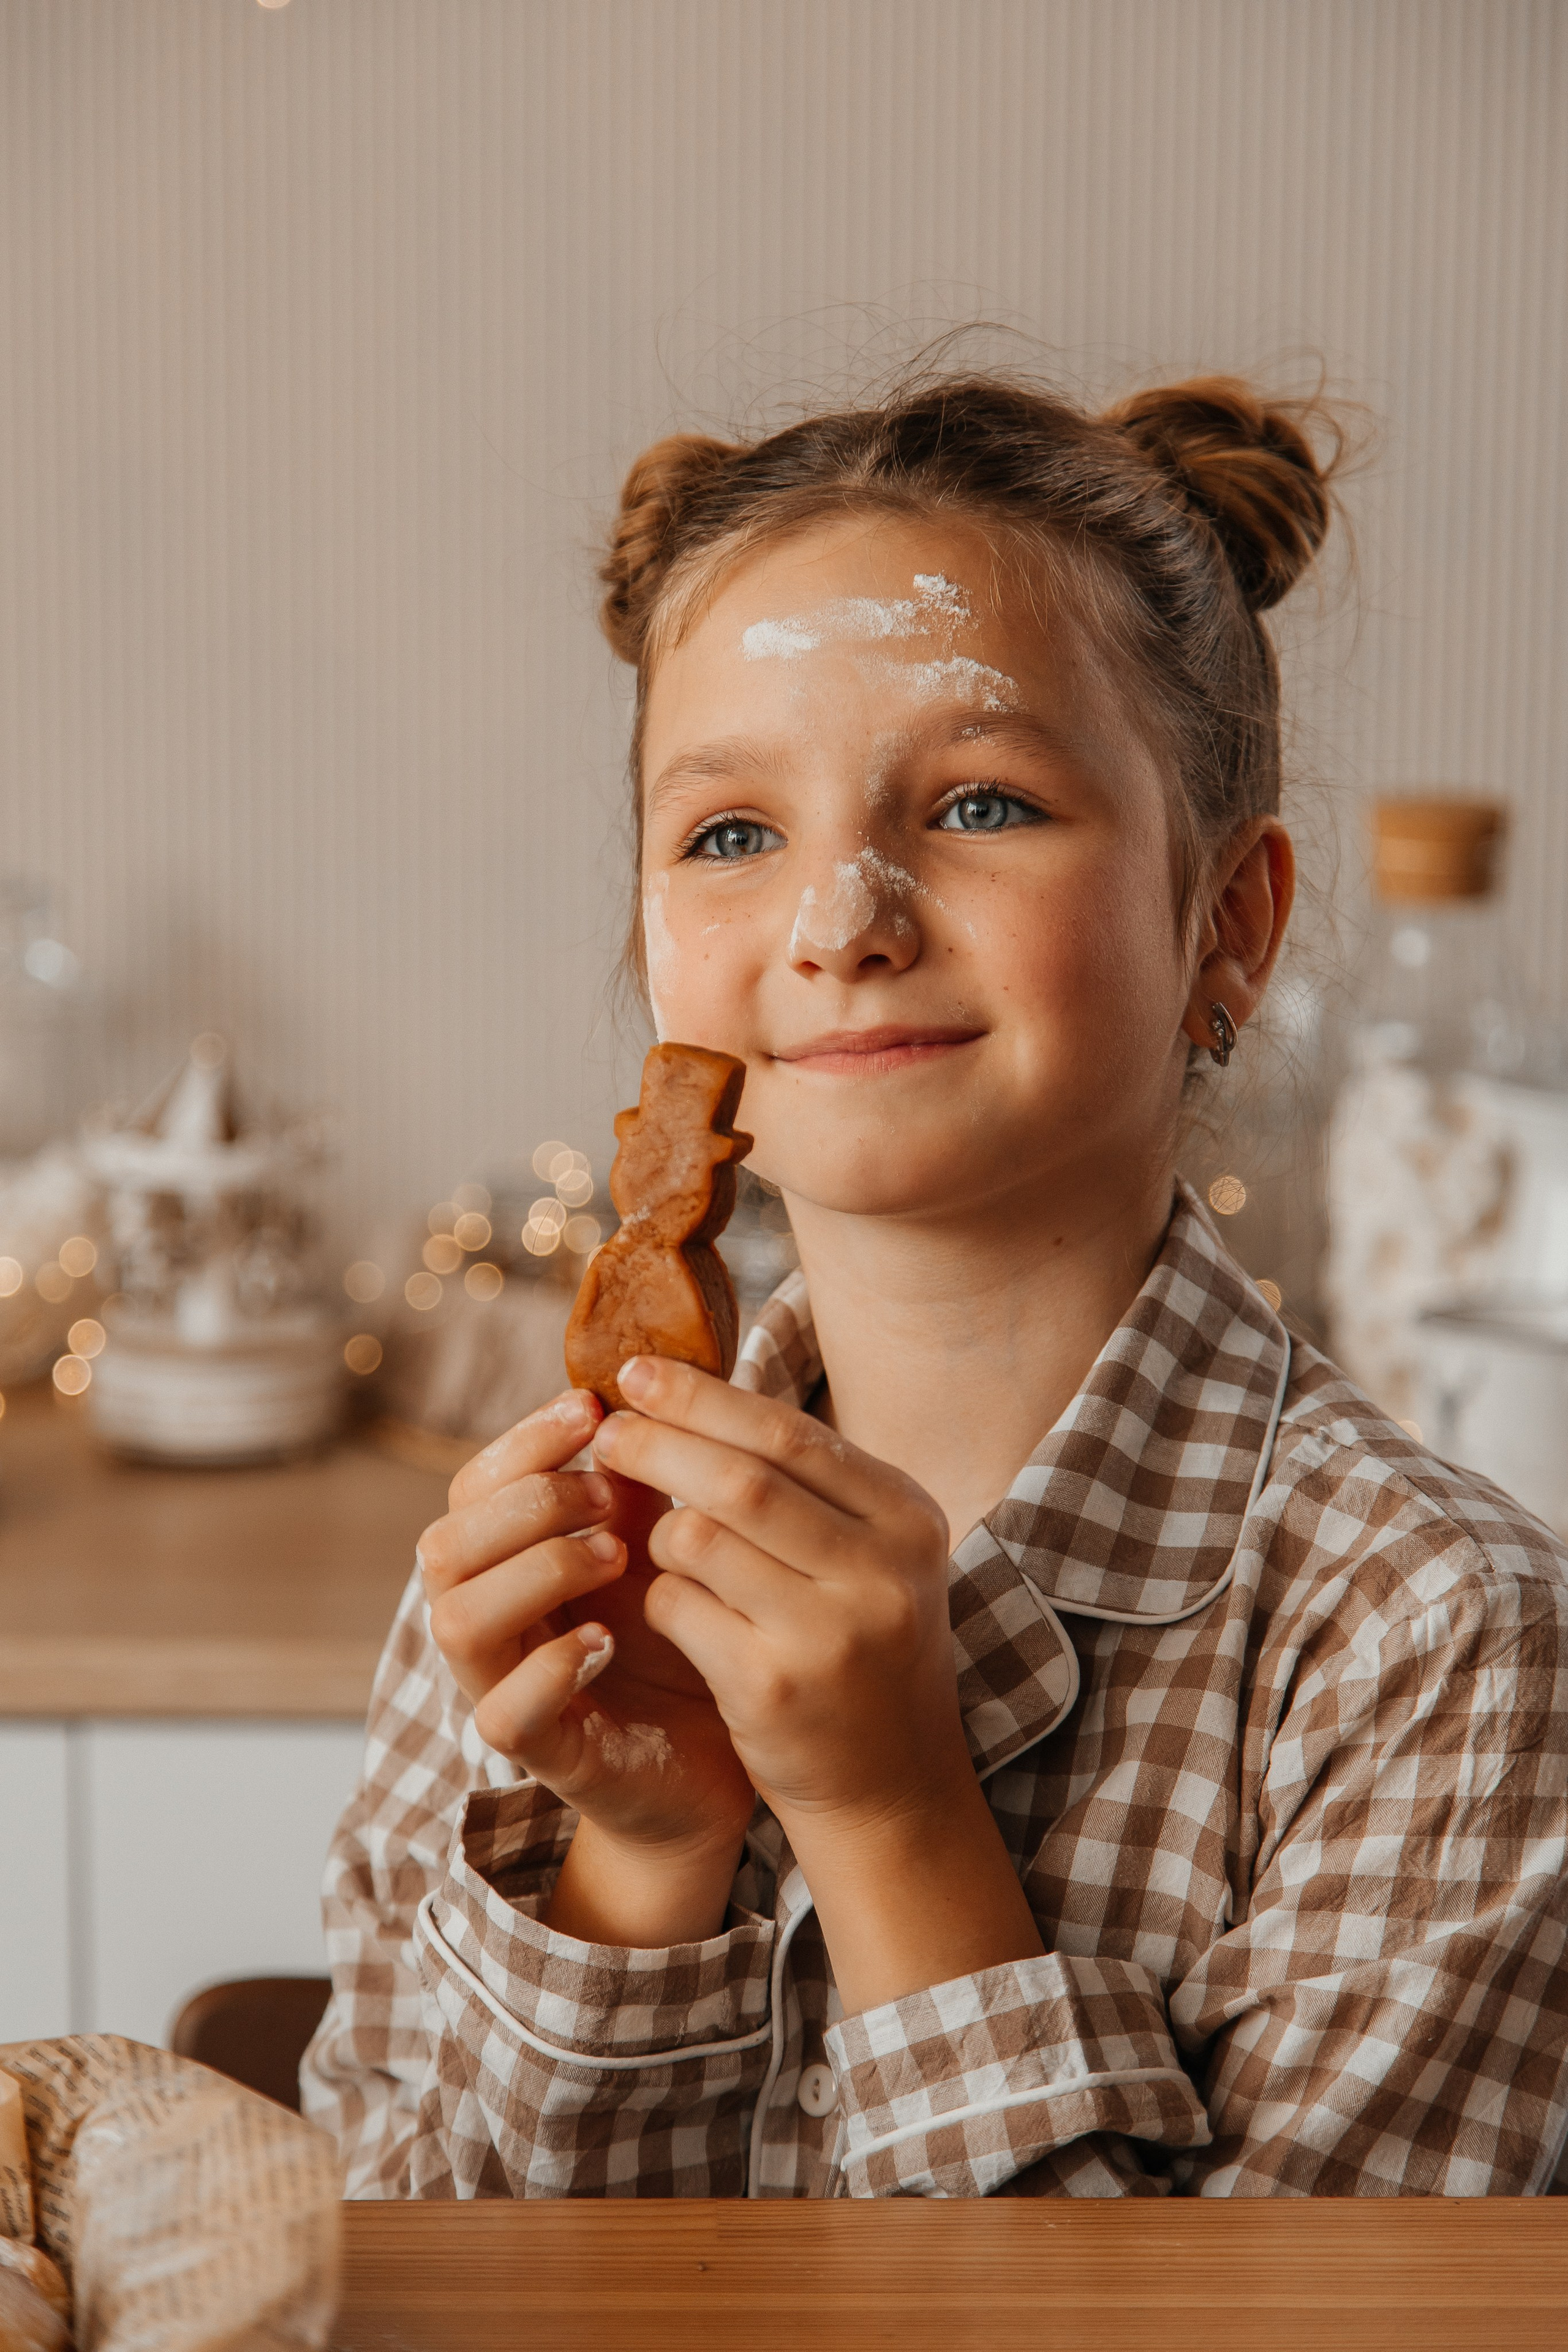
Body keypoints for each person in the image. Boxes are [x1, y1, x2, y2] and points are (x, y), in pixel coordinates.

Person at [303, 372, 1568, 2198]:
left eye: (980, 803)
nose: (843, 920)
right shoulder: (539, 1587)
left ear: (1230, 920)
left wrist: (892, 1820)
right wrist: (643, 1864)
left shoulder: (1445, 1659)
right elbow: (399, 2278)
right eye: (733, 834)